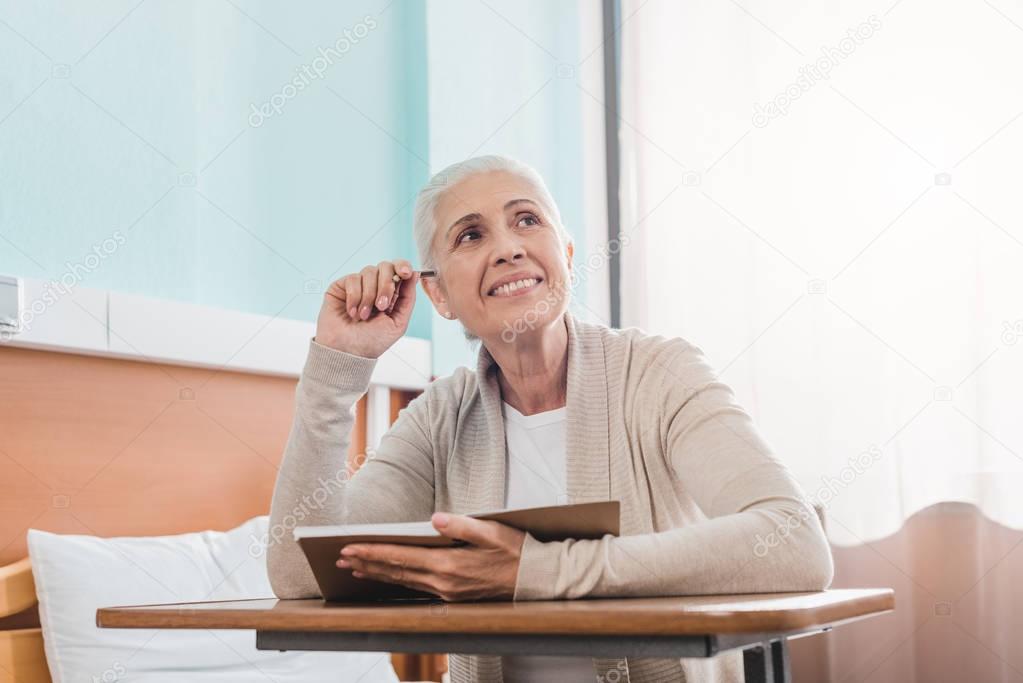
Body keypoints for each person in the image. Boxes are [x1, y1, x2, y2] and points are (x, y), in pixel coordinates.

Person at [267, 155, 833, 683]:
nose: (509, 248)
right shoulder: (438, 418)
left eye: (527, 220)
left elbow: (795, 541)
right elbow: (299, 578)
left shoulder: (661, 373)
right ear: (438, 295)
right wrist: (337, 371)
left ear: (564, 255)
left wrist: (539, 572)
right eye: (471, 235)